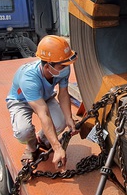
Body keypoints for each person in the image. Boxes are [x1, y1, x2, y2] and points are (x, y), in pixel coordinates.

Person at [6, 35, 77, 170]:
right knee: (23, 132)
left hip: (45, 97)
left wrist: (69, 118)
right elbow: (43, 113)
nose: (66, 67)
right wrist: (57, 148)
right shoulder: (29, 78)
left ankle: (43, 138)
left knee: (60, 123)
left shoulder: (61, 69)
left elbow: (63, 94)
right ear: (47, 66)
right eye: (62, 65)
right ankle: (32, 146)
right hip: (21, 101)